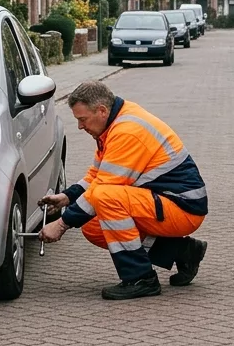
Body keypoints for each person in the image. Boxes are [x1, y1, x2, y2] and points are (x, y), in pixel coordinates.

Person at [39, 81, 208, 300]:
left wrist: (62, 224)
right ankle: (181, 252)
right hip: (164, 202)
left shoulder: (127, 132)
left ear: (101, 111)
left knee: (106, 198)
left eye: (82, 119)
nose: (80, 127)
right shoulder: (113, 124)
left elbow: (104, 188)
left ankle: (140, 279)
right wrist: (67, 197)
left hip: (183, 208)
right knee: (92, 226)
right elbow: (96, 176)